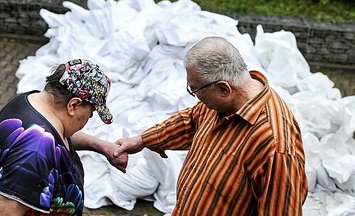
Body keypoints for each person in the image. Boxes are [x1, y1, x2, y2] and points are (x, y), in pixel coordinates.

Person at [115, 36, 307, 215]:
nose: (194, 95)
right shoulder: (225, 102)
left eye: (194, 89)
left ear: (224, 88)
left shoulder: (275, 147)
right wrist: (142, 140)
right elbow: (191, 120)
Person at [0, 59, 127, 216]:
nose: (89, 119)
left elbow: (59, 135)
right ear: (73, 105)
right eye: (91, 112)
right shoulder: (34, 153)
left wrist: (102, 146)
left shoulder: (32, 103)